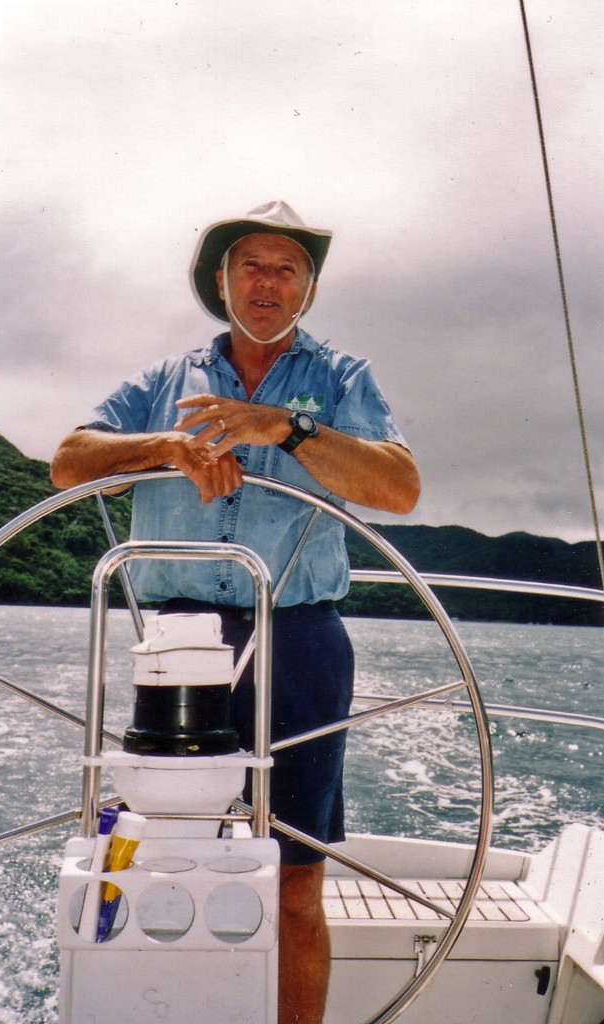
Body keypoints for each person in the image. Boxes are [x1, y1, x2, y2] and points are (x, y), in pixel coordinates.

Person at [51, 200, 420, 1024]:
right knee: (161, 863)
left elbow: (396, 486)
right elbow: (70, 461)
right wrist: (167, 447)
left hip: (300, 640)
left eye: (287, 267)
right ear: (221, 283)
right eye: (250, 264)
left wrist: (284, 428)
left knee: (293, 880)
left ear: (309, 290)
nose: (267, 281)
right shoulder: (161, 382)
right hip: (178, 646)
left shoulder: (343, 380)